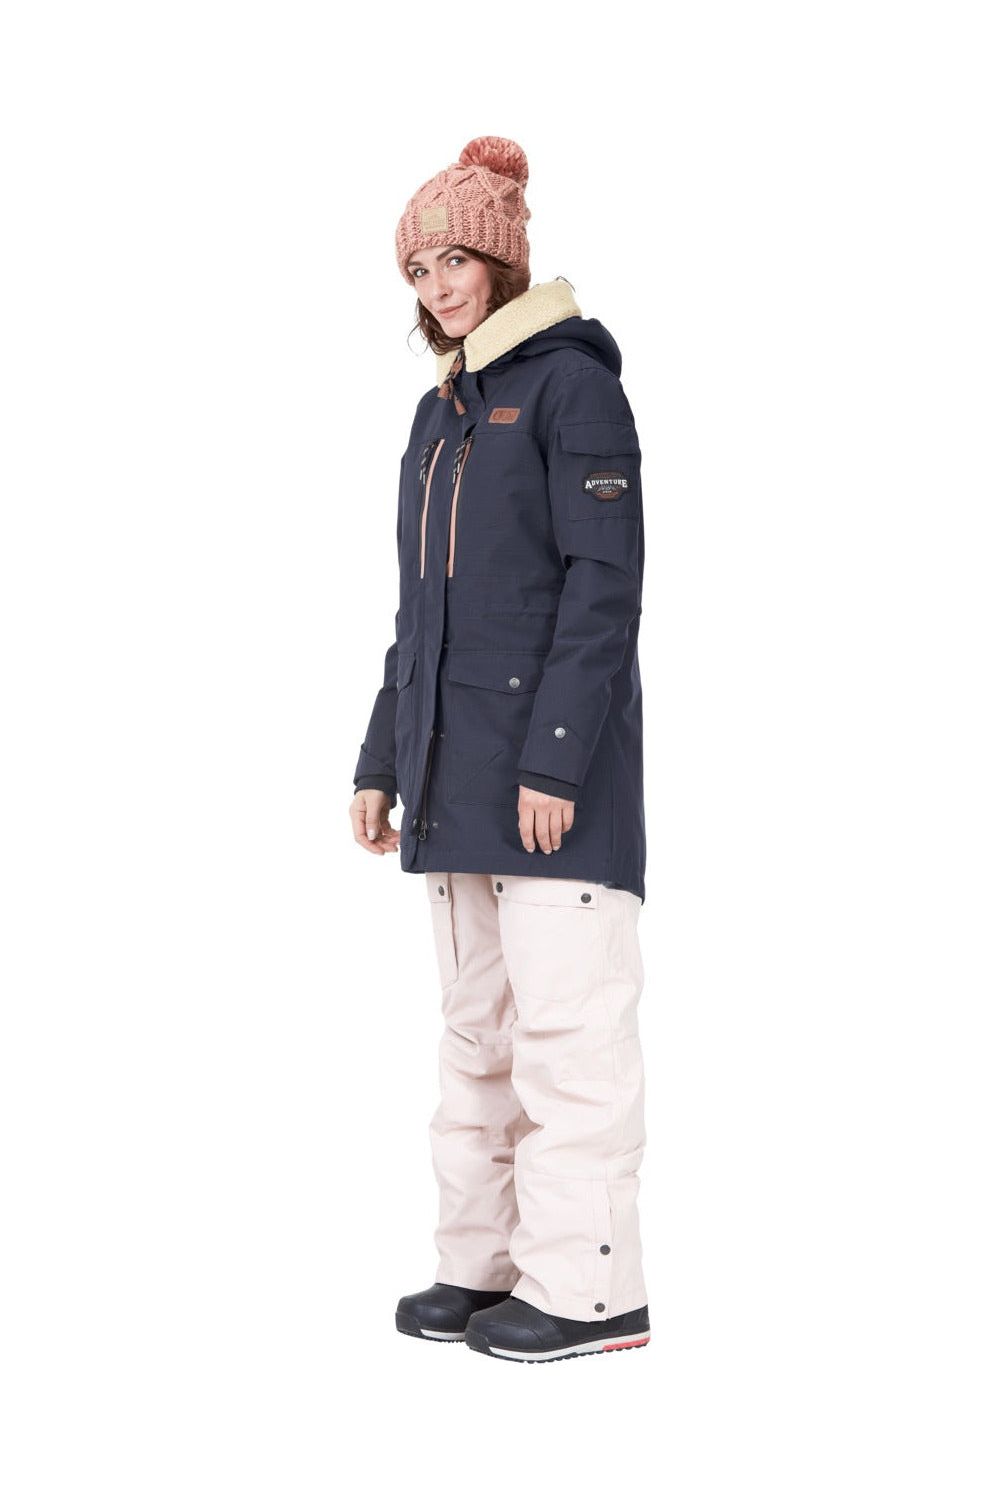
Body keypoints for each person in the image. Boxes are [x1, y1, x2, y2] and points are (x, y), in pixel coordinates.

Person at [349, 136, 650, 1363]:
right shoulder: (439, 417)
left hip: (549, 785)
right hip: (450, 774)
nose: (437, 287)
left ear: (502, 261)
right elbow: (418, 612)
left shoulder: (574, 389)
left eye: (454, 260)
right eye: (418, 269)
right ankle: (480, 1269)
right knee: (476, 1038)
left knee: (568, 1038)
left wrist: (556, 761)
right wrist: (382, 760)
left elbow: (603, 588)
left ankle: (591, 1292)